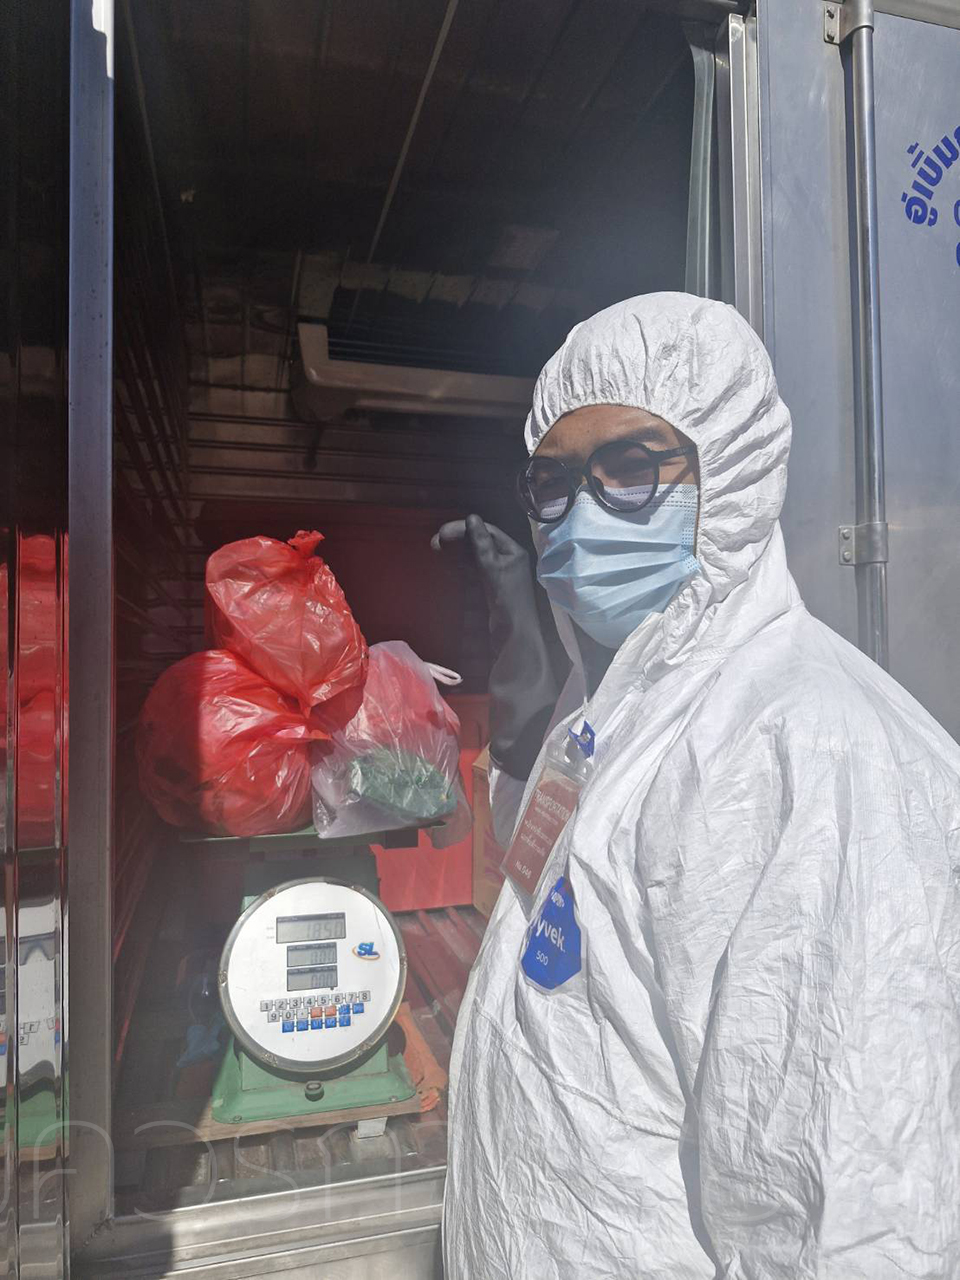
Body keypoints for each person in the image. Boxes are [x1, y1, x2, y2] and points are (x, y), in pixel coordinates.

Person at [434, 293, 960, 1278]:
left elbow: (847, 1216)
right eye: (552, 481)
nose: (583, 512)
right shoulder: (608, 714)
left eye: (631, 468)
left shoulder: (814, 754)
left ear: (735, 474)